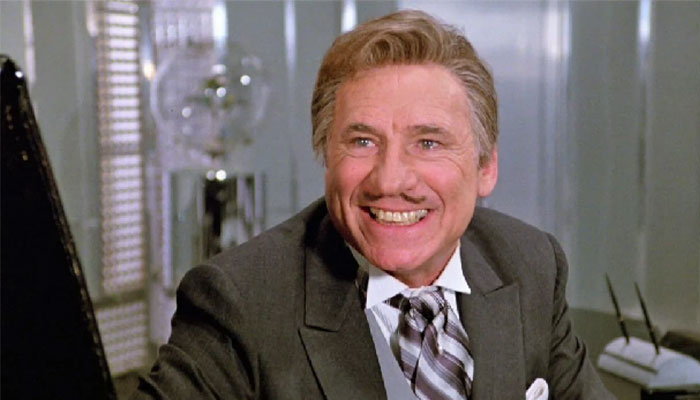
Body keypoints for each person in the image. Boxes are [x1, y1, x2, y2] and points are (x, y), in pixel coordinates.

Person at [133, 10, 613, 400]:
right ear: (326, 155)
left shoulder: (530, 263)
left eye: (428, 143)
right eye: (362, 141)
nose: (390, 180)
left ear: (485, 166)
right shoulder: (241, 301)